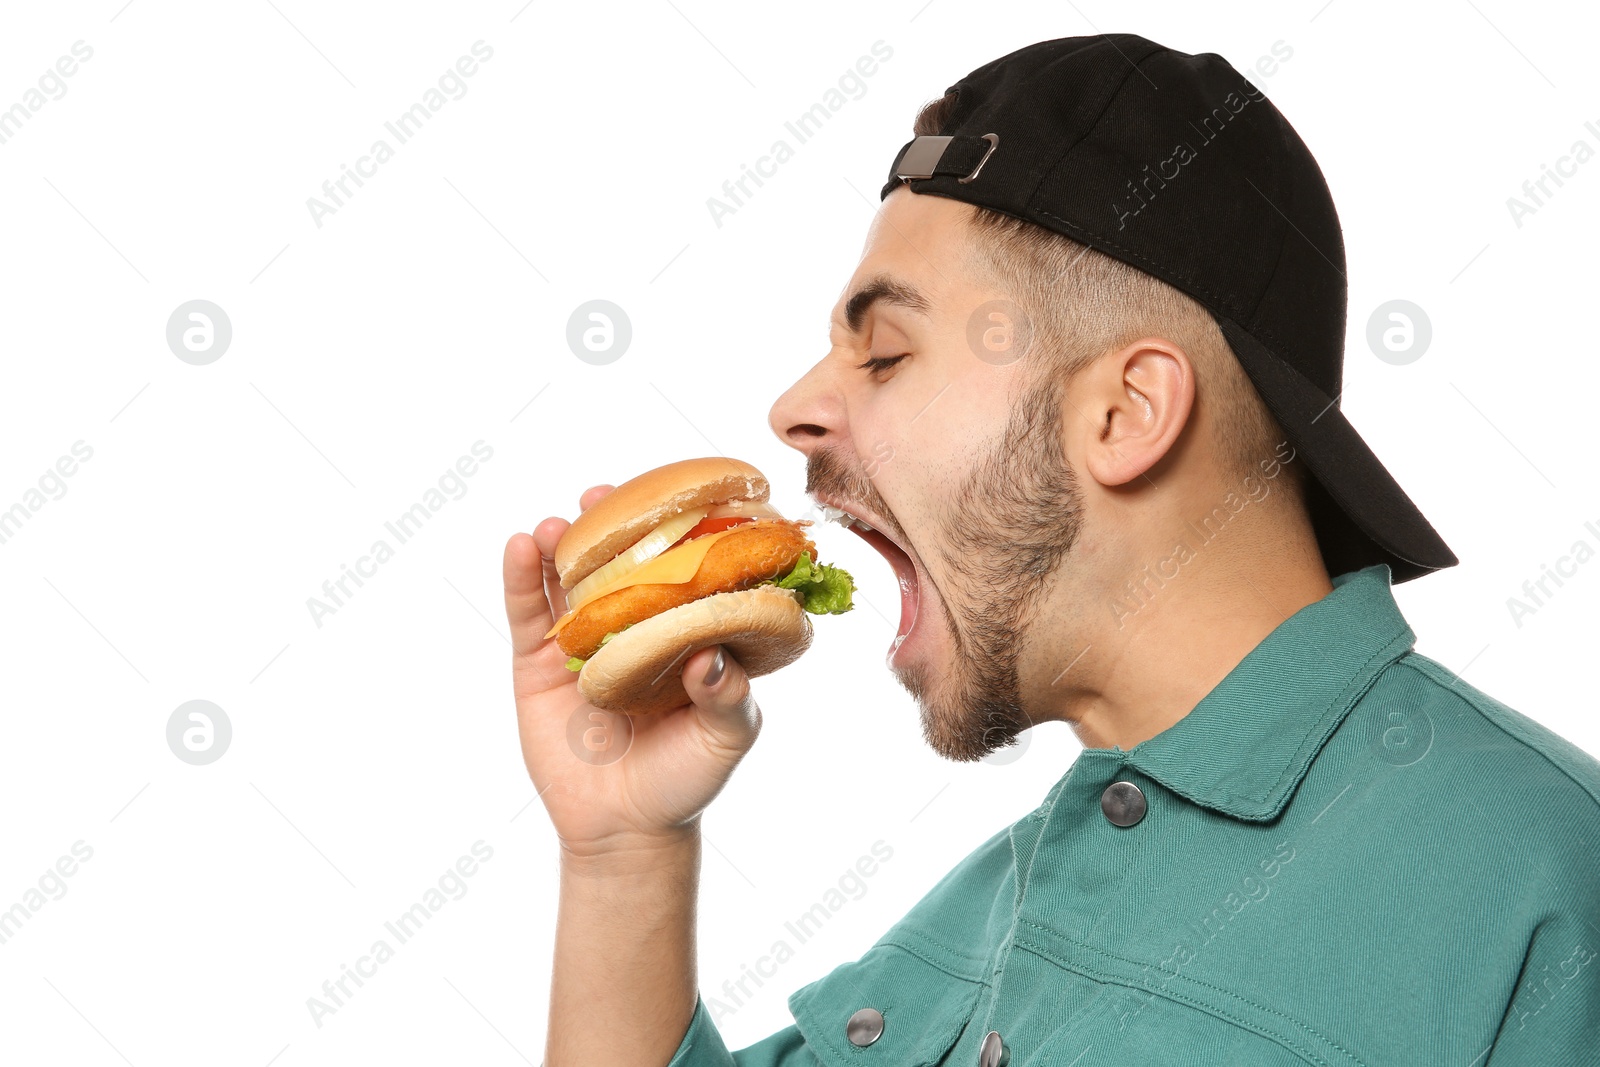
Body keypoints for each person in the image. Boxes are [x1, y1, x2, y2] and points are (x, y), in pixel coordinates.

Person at [503, 34, 1600, 1066]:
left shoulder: (1548, 876)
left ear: (1125, 413)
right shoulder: (988, 910)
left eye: (883, 352)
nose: (791, 409)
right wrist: (620, 857)